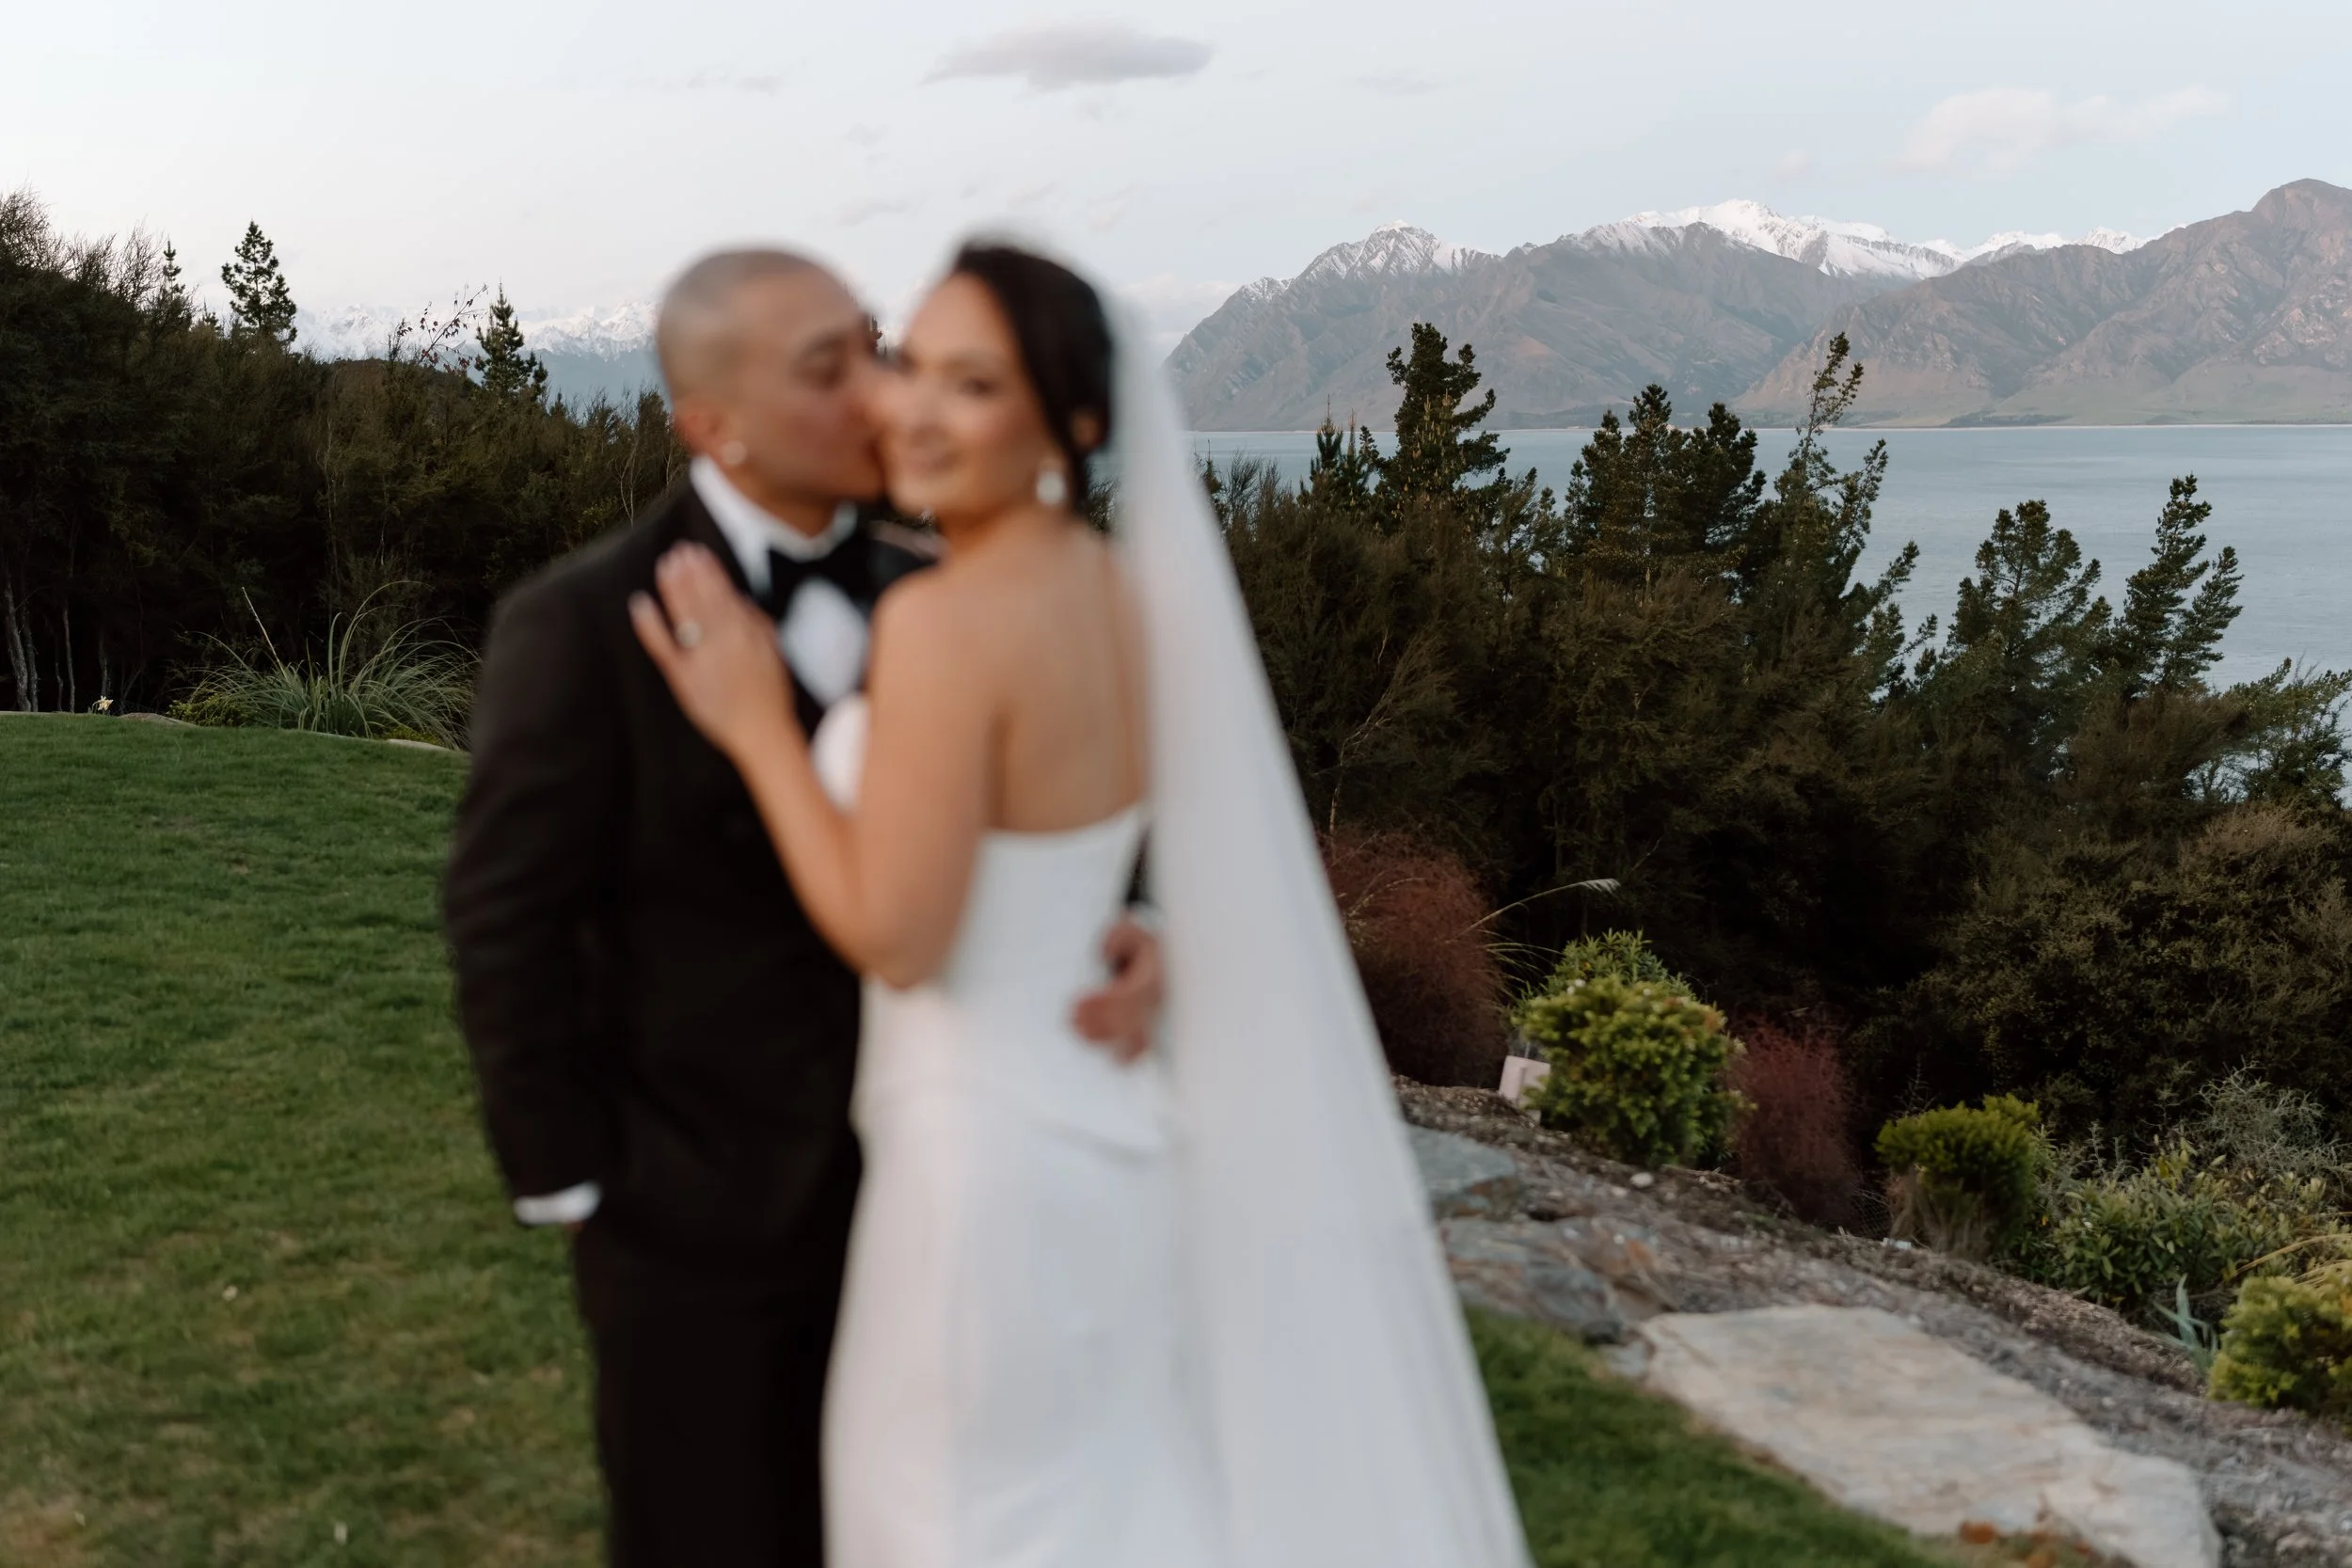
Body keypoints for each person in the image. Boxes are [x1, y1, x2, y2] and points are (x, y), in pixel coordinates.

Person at [632, 243, 1532, 1568]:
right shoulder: (1126, 598)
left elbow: (902, 932)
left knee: (947, 1522)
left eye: (976, 384)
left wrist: (761, 729)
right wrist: (1156, 944)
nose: (917, 411)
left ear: (1079, 423)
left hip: (979, 1173)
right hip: (1111, 1136)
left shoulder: (946, 624)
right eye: (913, 368)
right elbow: (1099, 853)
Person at [442, 248, 1165, 1568]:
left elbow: (1056, 800)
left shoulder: (935, 587)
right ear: (712, 422)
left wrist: (1140, 925)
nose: (882, 395)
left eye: (876, 348)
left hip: (940, 1191)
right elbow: (502, 917)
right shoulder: (585, 621)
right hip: (701, 1228)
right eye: (832, 368)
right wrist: (581, 1183)